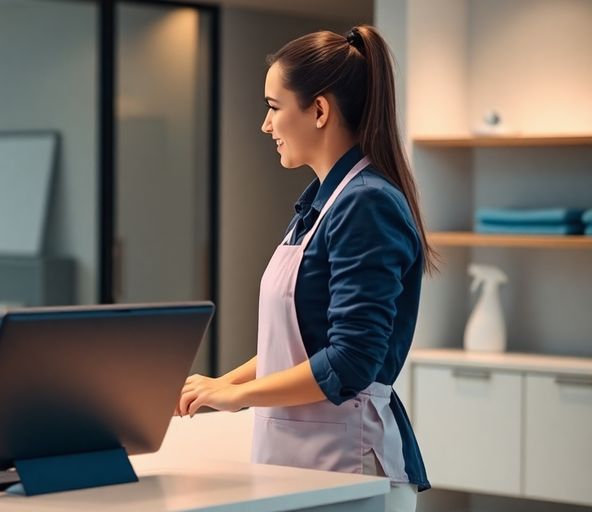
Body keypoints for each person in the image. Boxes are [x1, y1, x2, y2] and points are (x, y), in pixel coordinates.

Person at [176, 25, 431, 511]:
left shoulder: (367, 204)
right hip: (302, 464)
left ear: (318, 110)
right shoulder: (322, 204)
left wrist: (241, 395)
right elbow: (302, 343)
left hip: (350, 466)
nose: (265, 126)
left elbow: (351, 360)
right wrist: (223, 384)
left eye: (273, 107)